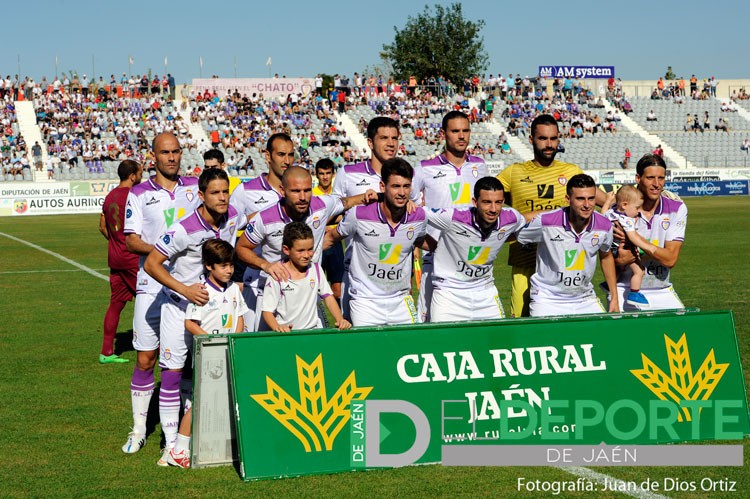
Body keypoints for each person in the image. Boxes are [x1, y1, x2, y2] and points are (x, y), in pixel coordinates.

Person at [143, 168, 245, 465]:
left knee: (203, 373)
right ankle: (171, 445)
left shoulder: (234, 217)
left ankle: (190, 441)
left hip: (211, 311)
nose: (222, 197)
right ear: (201, 196)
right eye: (215, 192)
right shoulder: (183, 228)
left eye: (225, 191)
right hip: (178, 307)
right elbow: (152, 264)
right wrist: (185, 290)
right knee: (172, 375)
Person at [121, 133, 200, 456]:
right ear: (152, 156)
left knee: (183, 361)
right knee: (146, 358)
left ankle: (181, 427)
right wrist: (163, 250)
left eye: (176, 151)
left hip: (187, 286)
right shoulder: (139, 194)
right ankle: (139, 428)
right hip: (151, 284)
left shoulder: (194, 188)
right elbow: (131, 240)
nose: (171, 157)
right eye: (165, 152)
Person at [236, 166, 376, 330]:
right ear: (282, 190)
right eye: (296, 191)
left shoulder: (322, 205)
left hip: (309, 294)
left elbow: (346, 202)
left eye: (307, 190)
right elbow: (242, 248)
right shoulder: (264, 219)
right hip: (275, 297)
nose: (302, 197)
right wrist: (266, 266)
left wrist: (374, 196)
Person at [497, 114, 607, 317]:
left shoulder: (571, 171)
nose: (549, 144)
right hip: (525, 260)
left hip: (563, 265)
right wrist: (530, 216)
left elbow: (605, 200)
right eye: (542, 138)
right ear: (531, 139)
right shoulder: (513, 172)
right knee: (522, 325)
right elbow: (489, 205)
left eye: (553, 139)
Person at [165, 239, 249, 468]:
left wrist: (235, 339)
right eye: (223, 266)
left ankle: (232, 445)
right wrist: (211, 341)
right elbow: (190, 323)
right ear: (209, 266)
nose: (229, 270)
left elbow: (239, 316)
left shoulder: (233, 289)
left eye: (231, 265)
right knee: (202, 402)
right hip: (208, 355)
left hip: (230, 351)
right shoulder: (200, 290)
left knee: (231, 397)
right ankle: (179, 449)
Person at [331, 117, 418, 320]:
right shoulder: (348, 174)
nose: (391, 143)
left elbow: (415, 224)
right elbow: (332, 215)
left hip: (396, 278)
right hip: (358, 278)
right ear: (370, 142)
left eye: (394, 138)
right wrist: (360, 201)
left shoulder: (407, 174)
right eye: (384, 138)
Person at [329, 158, 427, 327]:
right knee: (368, 351)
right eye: (396, 186)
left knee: (411, 347)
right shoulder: (358, 214)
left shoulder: (418, 216)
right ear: (382, 187)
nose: (402, 193)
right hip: (366, 302)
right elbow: (330, 238)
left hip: (401, 301)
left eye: (406, 186)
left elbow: (424, 241)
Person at [412, 110, 489, 322]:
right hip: (436, 259)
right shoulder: (424, 168)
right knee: (430, 326)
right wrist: (421, 240)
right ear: (443, 134)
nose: (461, 136)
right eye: (455, 131)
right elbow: (408, 208)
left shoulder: (480, 166)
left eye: (465, 131)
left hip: (472, 260)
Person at [425, 177, 525, 322]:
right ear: (474, 201)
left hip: (486, 294)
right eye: (486, 202)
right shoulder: (452, 217)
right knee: (444, 343)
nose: (493, 209)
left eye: (498, 202)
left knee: (497, 342)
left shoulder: (512, 218)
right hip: (449, 295)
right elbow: (415, 213)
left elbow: (522, 228)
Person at [516, 174, 618, 317]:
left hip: (584, 298)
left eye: (591, 198)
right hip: (547, 298)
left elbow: (606, 257)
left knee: (601, 337)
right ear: (567, 199)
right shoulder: (546, 221)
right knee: (549, 339)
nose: (587, 205)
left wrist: (614, 297)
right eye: (580, 199)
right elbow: (520, 236)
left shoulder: (605, 225)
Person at [607, 154, 687, 311]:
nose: (657, 184)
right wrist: (655, 252)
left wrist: (636, 244)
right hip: (624, 289)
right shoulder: (619, 210)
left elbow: (670, 259)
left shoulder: (677, 208)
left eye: (661, 178)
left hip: (662, 289)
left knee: (682, 331)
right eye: (650, 178)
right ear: (638, 178)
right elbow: (619, 260)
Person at [228, 133, 292, 328]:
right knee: (253, 343)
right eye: (281, 154)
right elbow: (229, 229)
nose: (287, 161)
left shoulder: (298, 190)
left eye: (291, 155)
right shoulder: (245, 191)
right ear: (267, 156)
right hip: (257, 282)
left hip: (292, 281)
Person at [261, 222, 351, 332]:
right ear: (286, 250)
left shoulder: (316, 269)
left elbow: (328, 297)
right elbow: (267, 311)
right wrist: (277, 327)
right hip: (286, 335)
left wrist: (340, 319)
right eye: (300, 251)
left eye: (310, 249)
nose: (306, 255)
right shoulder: (277, 275)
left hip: (312, 332)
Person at [98, 160, 143, 364]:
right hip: (132, 258)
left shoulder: (109, 197)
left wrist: (115, 242)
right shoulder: (134, 195)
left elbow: (102, 227)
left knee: (115, 305)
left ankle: (106, 352)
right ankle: (157, 347)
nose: (141, 177)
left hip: (115, 258)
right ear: (133, 175)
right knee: (151, 300)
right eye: (140, 173)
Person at [601, 185, 664, 309]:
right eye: (636, 208)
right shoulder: (626, 220)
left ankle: (608, 285)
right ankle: (634, 294)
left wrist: (608, 200)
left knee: (618, 269)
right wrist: (648, 248)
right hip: (624, 249)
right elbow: (633, 237)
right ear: (624, 205)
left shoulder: (611, 213)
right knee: (639, 271)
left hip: (611, 250)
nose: (638, 211)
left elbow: (602, 213)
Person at [313, 158, 345, 303]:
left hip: (335, 243)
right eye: (321, 173)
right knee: (313, 287)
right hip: (316, 243)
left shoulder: (338, 195)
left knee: (337, 290)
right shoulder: (312, 194)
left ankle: (340, 322)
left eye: (328, 173)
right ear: (316, 175)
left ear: (333, 174)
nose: (325, 177)